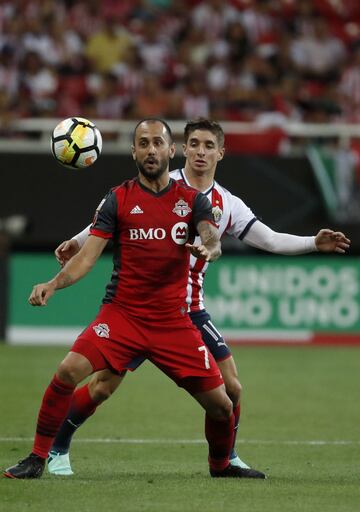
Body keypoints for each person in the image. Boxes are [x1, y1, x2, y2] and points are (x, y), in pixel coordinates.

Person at [47, 118, 350, 478]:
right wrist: (78, 240)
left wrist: (313, 243)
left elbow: (268, 240)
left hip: (189, 310)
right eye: (195, 144)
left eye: (209, 146)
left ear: (221, 152)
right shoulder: (162, 182)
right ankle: (57, 446)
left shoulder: (227, 203)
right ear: (182, 149)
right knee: (102, 387)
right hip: (139, 307)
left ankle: (226, 459)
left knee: (232, 388)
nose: (201, 152)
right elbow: (111, 214)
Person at [3, 118, 266, 480]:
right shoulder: (119, 198)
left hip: (173, 322)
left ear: (171, 151)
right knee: (68, 371)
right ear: (134, 152)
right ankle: (37, 457)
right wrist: (53, 283)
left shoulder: (192, 200)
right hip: (122, 316)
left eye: (158, 142)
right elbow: (88, 257)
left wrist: (209, 246)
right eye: (143, 143)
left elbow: (211, 235)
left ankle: (221, 466)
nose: (151, 149)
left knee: (223, 405)